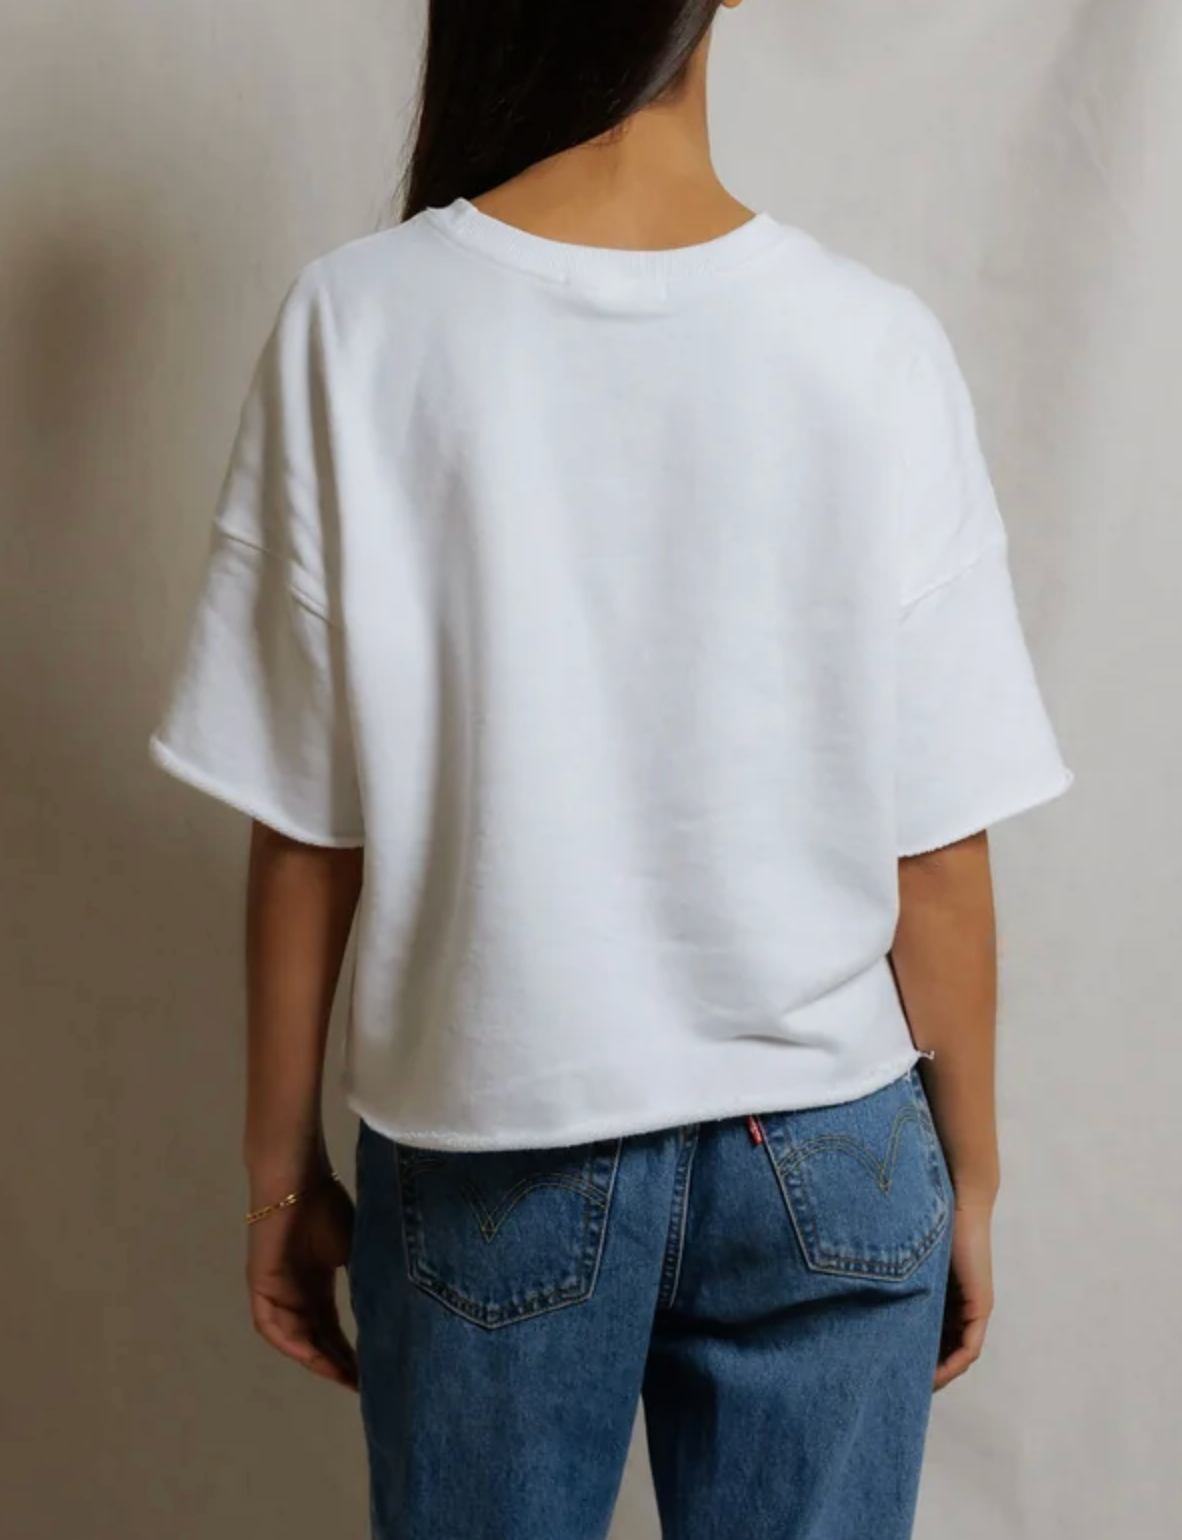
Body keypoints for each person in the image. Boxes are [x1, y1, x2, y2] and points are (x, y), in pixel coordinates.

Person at [150, 2, 1073, 1536]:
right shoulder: (869, 342)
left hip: (492, 1141)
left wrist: (278, 1170)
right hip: (829, 1150)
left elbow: (307, 824)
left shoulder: (358, 322)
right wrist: (967, 1177)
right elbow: (934, 853)